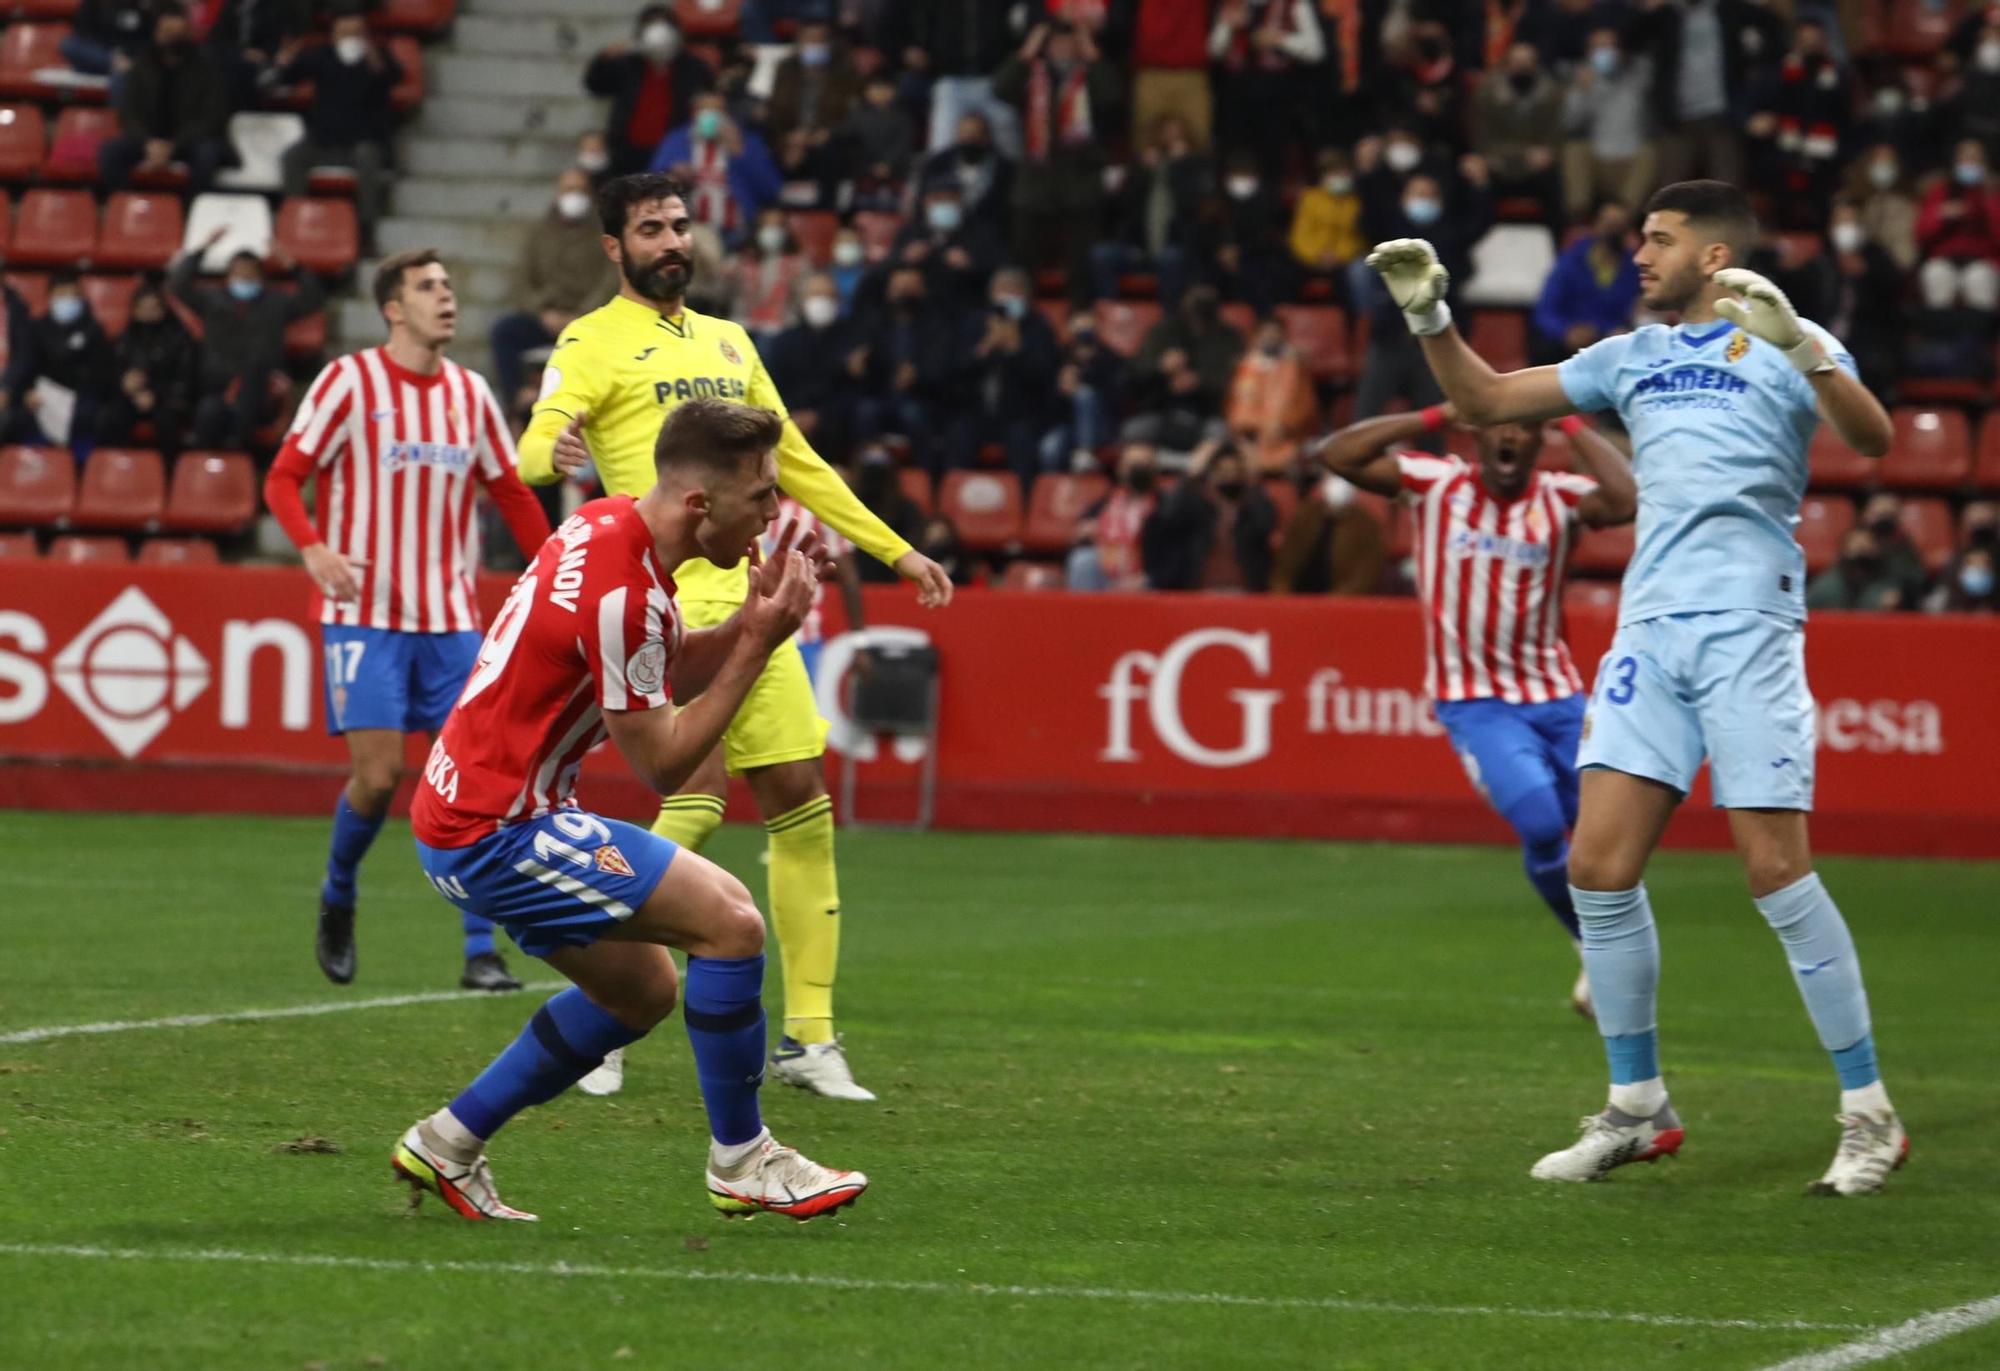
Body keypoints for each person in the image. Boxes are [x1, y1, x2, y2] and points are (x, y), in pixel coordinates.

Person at [1367, 179, 1906, 1194]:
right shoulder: (1631, 358)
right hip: (1647, 637)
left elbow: (1870, 436)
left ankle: (1867, 1112)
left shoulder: (1784, 339)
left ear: (1712, 256)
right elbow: (1483, 402)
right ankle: (1635, 1108)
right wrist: (1428, 315)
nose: (1638, 257)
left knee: (1774, 873)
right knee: (1596, 866)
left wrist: (1797, 346)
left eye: (1656, 242)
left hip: (1746, 629)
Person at [517, 174, 954, 1100]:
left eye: (679, 224)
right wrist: (542, 452)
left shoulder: (730, 341)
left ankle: (810, 1038)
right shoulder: (591, 340)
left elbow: (794, 461)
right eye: (650, 228)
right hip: (664, 599)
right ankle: (617, 1007)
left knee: (801, 797)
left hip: (752, 594)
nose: (672, 239)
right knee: (698, 790)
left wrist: (895, 549)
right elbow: (542, 429)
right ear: (614, 248)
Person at [396, 397, 868, 1222]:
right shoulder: (627, 594)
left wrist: (750, 628)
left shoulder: (610, 525)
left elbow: (660, 666)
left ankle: (448, 1141)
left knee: (642, 991)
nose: (771, 514)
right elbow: (665, 764)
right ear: (701, 505)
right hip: (499, 830)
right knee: (731, 921)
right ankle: (744, 1158)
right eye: (761, 496)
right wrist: (758, 646)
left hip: (473, 809)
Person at [262, 249, 556, 993]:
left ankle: (479, 949)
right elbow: (284, 476)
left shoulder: (470, 393)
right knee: (380, 774)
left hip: (452, 619)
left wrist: (556, 570)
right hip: (361, 613)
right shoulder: (348, 382)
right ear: (393, 308)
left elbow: (512, 494)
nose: (446, 298)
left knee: (480, 782)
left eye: (450, 286)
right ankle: (337, 892)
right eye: (428, 288)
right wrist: (312, 546)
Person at [1315, 404, 1638, 1012]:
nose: (1511, 435)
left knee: (1608, 837)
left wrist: (1567, 421)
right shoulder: (1435, 483)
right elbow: (1338, 454)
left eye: (1524, 426)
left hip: (1558, 695)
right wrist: (1436, 412)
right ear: (1478, 435)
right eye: (1499, 424)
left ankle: (1619, 962)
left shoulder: (1561, 497)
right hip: (1476, 701)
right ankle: (1591, 945)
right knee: (1543, 825)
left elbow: (1625, 499)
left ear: (1539, 438)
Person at [994, 21, 1120, 307]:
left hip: (1080, 186)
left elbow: (1112, 96)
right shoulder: (1033, 77)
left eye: (1069, 43)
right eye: (1056, 43)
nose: (1063, 49)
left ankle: (1080, 325)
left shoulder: (1090, 76)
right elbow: (1001, 88)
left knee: (1082, 269)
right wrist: (1028, 49)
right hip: (1034, 187)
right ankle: (1019, 322)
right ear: (1046, 47)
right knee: (1023, 264)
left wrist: (1089, 49)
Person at [167, 235, 326, 450]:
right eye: (238, 269)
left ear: (260, 274)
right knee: (207, 414)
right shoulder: (211, 300)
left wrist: (291, 264)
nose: (244, 274)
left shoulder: (276, 303)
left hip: (261, 392)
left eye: (249, 270)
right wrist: (202, 249)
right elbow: (178, 285)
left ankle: (240, 452)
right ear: (229, 274)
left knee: (253, 384)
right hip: (217, 389)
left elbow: (313, 297)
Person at [490, 169, 622, 401]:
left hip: (588, 320)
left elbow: (610, 281)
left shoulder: (604, 234)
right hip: (544, 318)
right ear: (558, 193)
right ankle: (517, 403)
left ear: (591, 195)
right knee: (505, 331)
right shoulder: (539, 232)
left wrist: (579, 316)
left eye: (581, 190)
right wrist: (542, 313)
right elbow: (521, 280)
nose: (574, 196)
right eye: (569, 190)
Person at [275, 12, 402, 247]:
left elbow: (395, 78)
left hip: (361, 141)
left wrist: (376, 63)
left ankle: (366, 229)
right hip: (323, 140)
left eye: (356, 33)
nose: (351, 38)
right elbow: (289, 78)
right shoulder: (323, 55)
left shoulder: (378, 57)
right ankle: (294, 219)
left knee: (368, 158)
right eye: (345, 33)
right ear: (334, 35)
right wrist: (285, 61)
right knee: (292, 157)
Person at [98, 8, 228, 191]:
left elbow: (211, 118)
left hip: (188, 141)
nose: (172, 39)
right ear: (156, 34)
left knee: (208, 154)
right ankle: (124, 205)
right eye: (167, 33)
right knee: (110, 152)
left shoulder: (206, 68)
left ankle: (190, 210)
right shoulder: (142, 66)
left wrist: (173, 145)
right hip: (148, 139)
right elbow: (128, 113)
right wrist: (147, 143)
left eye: (178, 34)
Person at [584, 6, 714, 177]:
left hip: (670, 154)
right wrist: (604, 59)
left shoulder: (693, 67)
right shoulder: (628, 64)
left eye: (665, 26)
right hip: (627, 151)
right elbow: (595, 85)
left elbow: (708, 99)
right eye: (652, 26)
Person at [1141, 439, 1277, 591]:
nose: (1229, 476)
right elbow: (1167, 516)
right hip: (1200, 592)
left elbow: (1266, 524)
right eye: (1222, 471)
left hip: (1244, 592)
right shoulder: (1195, 504)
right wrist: (1191, 474)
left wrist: (1254, 475)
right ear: (1209, 474)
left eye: (1235, 471)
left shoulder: (1250, 505)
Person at [649, 92, 782, 242]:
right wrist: (673, 176)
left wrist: (740, 152)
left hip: (737, 231)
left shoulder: (748, 141)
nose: (710, 116)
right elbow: (654, 184)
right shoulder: (676, 140)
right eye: (704, 110)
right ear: (694, 113)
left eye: (716, 110)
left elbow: (770, 190)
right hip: (691, 231)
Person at [8, 273, 116, 449]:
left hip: (82, 399)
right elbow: (27, 365)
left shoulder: (94, 330)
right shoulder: (37, 328)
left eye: (72, 295)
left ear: (81, 298)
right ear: (50, 297)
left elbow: (102, 374)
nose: (66, 300)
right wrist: (28, 391)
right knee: (18, 418)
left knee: (93, 417)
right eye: (61, 294)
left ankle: (81, 469)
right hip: (44, 398)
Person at [1561, 27, 1656, 222]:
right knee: (1574, 149)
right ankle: (1579, 221)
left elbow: (1653, 76)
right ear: (1589, 53)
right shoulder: (1583, 81)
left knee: (1650, 151)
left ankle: (1623, 217)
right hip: (1598, 162)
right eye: (1599, 48)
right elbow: (1569, 123)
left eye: (1610, 46)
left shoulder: (1639, 76)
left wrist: (1627, 65)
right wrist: (1582, 91)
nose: (1605, 52)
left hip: (1630, 161)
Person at [95, 279, 196, 457]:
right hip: (131, 398)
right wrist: (124, 384)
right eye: (143, 308)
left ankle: (169, 475)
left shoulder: (179, 339)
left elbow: (186, 380)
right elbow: (110, 374)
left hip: (166, 400)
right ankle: (113, 468)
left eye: (153, 308)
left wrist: (155, 394)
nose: (148, 314)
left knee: (168, 421)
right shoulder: (124, 339)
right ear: (134, 310)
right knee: (110, 417)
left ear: (163, 310)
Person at [1531, 201, 1640, 365]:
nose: (1613, 231)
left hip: (1609, 340)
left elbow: (1629, 314)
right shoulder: (1570, 261)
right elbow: (1546, 310)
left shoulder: (1633, 269)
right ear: (1595, 225)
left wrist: (1602, 331)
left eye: (1620, 225)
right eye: (1609, 223)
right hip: (1566, 339)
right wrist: (1566, 332)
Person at [1473, 43, 1566, 228]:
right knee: (1477, 177)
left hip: (1538, 165)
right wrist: (1523, 154)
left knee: (1555, 179)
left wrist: (1546, 154)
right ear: (1507, 64)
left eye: (1527, 61)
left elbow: (1557, 135)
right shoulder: (1487, 94)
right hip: (1499, 162)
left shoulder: (1552, 95)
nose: (1522, 66)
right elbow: (1484, 138)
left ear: (1536, 65)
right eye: (1517, 61)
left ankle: (1557, 241)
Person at [1225, 317, 1319, 473]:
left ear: (1283, 336)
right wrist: (1256, 429)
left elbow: (1306, 407)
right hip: (1252, 441)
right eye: (1266, 333)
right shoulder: (1246, 368)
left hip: (1288, 438)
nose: (1271, 337)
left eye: (1275, 333)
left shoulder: (1295, 368)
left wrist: (1284, 425)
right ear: (1256, 336)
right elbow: (1236, 411)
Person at [1066, 440, 1158, 590]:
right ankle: (1083, 611)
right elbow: (1079, 530)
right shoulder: (1108, 502)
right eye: (1132, 466)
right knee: (1084, 561)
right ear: (1121, 469)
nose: (1137, 472)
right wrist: (1087, 530)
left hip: (1146, 572)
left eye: (1143, 466)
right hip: (1109, 567)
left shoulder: (1165, 507)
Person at [1806, 527, 1908, 611]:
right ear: (1845, 551)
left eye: (1866, 548)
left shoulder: (1888, 583)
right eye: (1856, 548)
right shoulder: (1827, 585)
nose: (1861, 553)